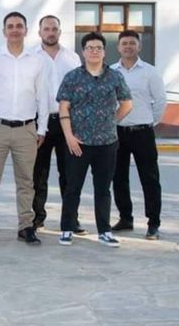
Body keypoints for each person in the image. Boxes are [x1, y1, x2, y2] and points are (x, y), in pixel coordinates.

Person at [0, 11, 50, 246]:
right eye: (10, 26)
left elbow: (43, 97)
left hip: (26, 128)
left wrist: (42, 128)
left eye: (19, 26)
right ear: (4, 31)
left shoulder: (38, 60)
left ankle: (25, 226)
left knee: (26, 181)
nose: (15, 30)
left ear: (26, 30)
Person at [57, 32, 132, 248]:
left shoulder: (115, 76)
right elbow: (64, 107)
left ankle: (104, 231)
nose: (94, 51)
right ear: (83, 51)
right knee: (73, 187)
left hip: (107, 143)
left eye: (98, 48)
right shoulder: (73, 77)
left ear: (104, 51)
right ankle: (67, 228)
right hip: (78, 142)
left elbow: (127, 103)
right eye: (90, 48)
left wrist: (111, 121)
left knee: (103, 189)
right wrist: (69, 136)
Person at [30, 15, 86, 235]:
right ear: (40, 32)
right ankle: (37, 217)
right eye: (46, 29)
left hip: (67, 123)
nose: (50, 32)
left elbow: (80, 91)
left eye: (54, 29)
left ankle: (71, 219)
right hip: (39, 120)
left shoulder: (72, 58)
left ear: (60, 32)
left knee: (70, 173)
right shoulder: (31, 57)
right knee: (38, 173)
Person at [110, 30, 167, 240]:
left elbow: (160, 101)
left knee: (150, 178)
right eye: (124, 43)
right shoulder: (111, 72)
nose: (128, 47)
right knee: (118, 177)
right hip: (117, 132)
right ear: (118, 47)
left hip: (143, 132)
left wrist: (150, 122)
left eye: (132, 43)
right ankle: (125, 218)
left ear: (139, 47)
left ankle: (153, 223)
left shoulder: (150, 72)